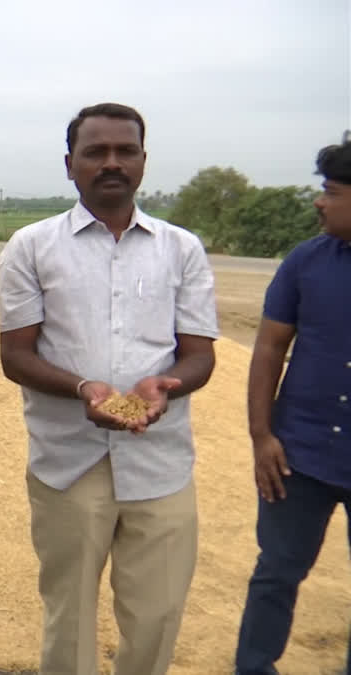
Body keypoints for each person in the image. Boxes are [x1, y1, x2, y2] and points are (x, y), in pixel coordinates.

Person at [0, 102, 219, 675]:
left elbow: (199, 355)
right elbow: (16, 355)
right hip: (68, 462)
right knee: (68, 619)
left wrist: (166, 385)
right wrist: (83, 389)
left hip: (161, 462)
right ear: (70, 165)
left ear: (144, 162)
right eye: (96, 152)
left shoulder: (182, 249)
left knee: (157, 617)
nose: (112, 163)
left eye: (126, 151)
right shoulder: (31, 246)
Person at [234, 135, 351, 675]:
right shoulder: (306, 262)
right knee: (277, 572)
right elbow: (269, 349)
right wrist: (262, 436)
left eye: (330, 191)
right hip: (298, 456)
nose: (319, 202)